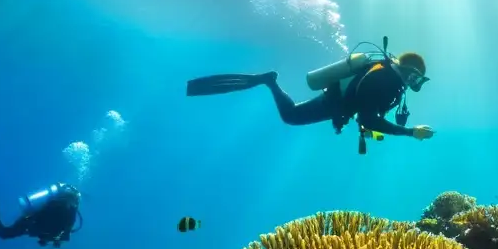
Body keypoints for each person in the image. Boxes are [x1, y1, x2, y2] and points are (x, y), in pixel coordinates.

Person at [186, 39, 435, 146]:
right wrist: (409, 132)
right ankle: (269, 81)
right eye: (416, 78)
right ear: (406, 70)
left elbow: (368, 113)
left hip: (341, 105)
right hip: (334, 102)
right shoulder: (384, 78)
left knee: (293, 116)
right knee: (291, 116)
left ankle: (269, 81)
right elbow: (368, 117)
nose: (415, 84)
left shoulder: (393, 82)